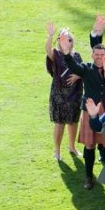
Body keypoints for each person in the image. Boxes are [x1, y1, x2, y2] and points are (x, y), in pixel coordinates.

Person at [60, 34, 105, 190]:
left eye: (102, 55)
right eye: (96, 55)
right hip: (90, 110)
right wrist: (66, 52)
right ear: (92, 55)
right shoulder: (86, 68)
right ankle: (89, 177)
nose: (99, 57)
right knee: (89, 145)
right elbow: (73, 67)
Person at [45, 23, 82, 161]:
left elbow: (83, 71)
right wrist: (50, 36)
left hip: (75, 93)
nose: (68, 42)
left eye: (70, 40)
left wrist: (78, 76)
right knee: (60, 122)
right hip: (59, 94)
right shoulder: (56, 54)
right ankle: (57, 150)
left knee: (73, 121)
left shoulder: (77, 55)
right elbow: (47, 49)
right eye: (64, 40)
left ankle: (72, 147)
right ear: (59, 41)